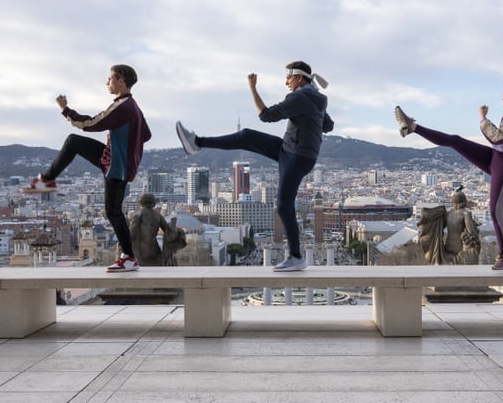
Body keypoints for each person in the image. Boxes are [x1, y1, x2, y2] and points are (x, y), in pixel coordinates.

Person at [175, 61, 333, 271]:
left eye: (289, 77)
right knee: (246, 136)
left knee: (283, 207)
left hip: (296, 156)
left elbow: (266, 115)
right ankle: (197, 142)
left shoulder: (300, 97)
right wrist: (317, 110)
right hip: (290, 150)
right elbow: (328, 126)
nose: (286, 81)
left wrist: (252, 87)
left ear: (300, 78)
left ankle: (296, 257)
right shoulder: (318, 99)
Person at [395, 80, 503, 270]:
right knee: (455, 141)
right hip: (498, 157)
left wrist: (483, 118)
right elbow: (499, 141)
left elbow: (497, 137)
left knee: (496, 211)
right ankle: (412, 127)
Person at [29, 64, 152, 272]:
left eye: (110, 78)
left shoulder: (123, 106)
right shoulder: (133, 107)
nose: (107, 82)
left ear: (121, 80)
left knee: (113, 212)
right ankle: (47, 179)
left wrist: (65, 109)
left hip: (116, 164)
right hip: (113, 159)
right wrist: (127, 145)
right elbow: (146, 134)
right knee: (73, 142)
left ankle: (129, 257)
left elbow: (91, 123)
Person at [129, 193, 169, 266]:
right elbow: (168, 231)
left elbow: (131, 234)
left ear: (141, 203)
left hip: (140, 251)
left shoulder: (137, 215)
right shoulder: (158, 216)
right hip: (154, 250)